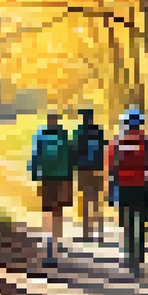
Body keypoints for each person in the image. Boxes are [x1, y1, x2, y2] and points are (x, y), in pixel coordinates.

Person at [106, 108, 148, 278]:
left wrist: (111, 189)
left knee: (127, 222)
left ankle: (128, 256)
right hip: (141, 185)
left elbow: (111, 166)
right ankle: (139, 255)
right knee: (141, 221)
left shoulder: (117, 141)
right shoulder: (145, 141)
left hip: (123, 185)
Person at [28, 111, 74, 268]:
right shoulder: (63, 135)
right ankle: (57, 239)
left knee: (47, 209)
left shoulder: (41, 135)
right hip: (61, 176)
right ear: (57, 121)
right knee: (58, 208)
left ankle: (48, 242)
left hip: (46, 176)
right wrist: (69, 177)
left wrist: (35, 175)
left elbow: (35, 156)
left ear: (48, 121)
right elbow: (69, 156)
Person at [71, 107, 109, 243]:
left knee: (86, 201)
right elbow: (105, 147)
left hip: (83, 169)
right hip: (97, 169)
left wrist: (73, 167)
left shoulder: (79, 132)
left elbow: (73, 149)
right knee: (97, 202)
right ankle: (99, 233)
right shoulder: (99, 131)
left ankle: (87, 233)